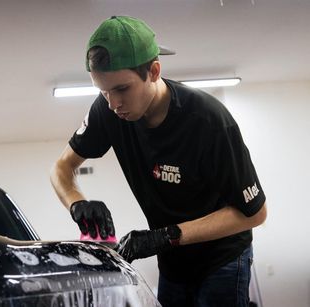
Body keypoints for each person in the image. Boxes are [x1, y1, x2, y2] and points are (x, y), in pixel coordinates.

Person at [50, 15, 267, 307]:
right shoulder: (106, 111)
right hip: (173, 262)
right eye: (103, 90)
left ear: (153, 71)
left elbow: (255, 214)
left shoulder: (209, 121)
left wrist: (166, 235)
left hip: (222, 259)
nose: (113, 103)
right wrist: (77, 202)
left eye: (122, 89)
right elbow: (62, 168)